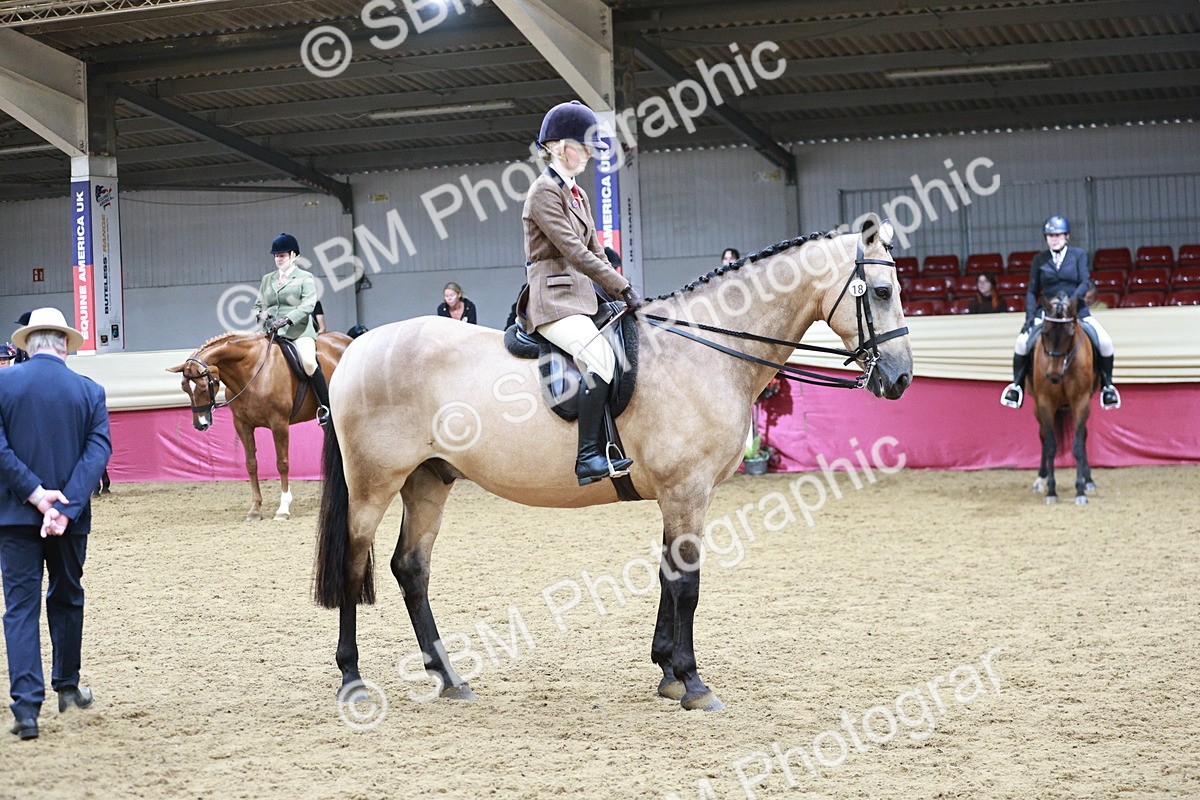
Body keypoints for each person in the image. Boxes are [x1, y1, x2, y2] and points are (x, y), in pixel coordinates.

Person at [0, 307, 111, 741]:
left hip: (14, 515)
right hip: (71, 518)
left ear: (27, 344)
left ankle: (27, 708)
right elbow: (97, 451)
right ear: (65, 344)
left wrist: (34, 493)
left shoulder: (3, 384)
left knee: (20, 608)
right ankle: (67, 687)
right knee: (67, 596)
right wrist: (65, 506)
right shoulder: (90, 390)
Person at [523, 99, 638, 486]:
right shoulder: (543, 193)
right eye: (584, 146)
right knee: (601, 360)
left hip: (581, 296)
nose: (590, 154)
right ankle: (588, 456)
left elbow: (596, 251)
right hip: (552, 300)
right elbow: (574, 251)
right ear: (558, 147)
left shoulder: (578, 194)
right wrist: (621, 286)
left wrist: (621, 289)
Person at [1001, 215, 1120, 410]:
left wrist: (1072, 302)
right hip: (1047, 313)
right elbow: (1032, 291)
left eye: (1058, 235)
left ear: (1066, 236)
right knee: (1021, 343)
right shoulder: (1040, 259)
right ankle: (1017, 387)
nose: (1054, 239)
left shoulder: (1078, 255)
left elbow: (1084, 281)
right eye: (1050, 236)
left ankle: (1108, 387)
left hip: (1076, 311)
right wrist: (1030, 317)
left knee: (1105, 342)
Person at [252, 233, 331, 426]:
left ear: (294, 255)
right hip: (271, 331)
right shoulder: (267, 279)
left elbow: (308, 305)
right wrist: (260, 314)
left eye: (282, 255)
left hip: (299, 331)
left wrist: (287, 319)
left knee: (309, 362)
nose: (278, 259)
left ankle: (325, 406)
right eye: (276, 256)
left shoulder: (305, 278)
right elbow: (258, 305)